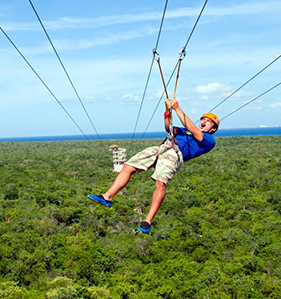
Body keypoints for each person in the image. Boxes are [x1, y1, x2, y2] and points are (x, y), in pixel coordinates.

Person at [88, 98, 219, 234]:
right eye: (203, 119)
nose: (204, 121)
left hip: (174, 154)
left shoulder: (209, 140)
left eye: (208, 121)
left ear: (213, 128)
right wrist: (167, 111)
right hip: (163, 147)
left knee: (160, 182)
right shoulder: (184, 131)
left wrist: (177, 108)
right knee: (128, 166)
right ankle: (107, 196)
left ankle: (148, 221)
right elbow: (168, 128)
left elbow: (192, 128)